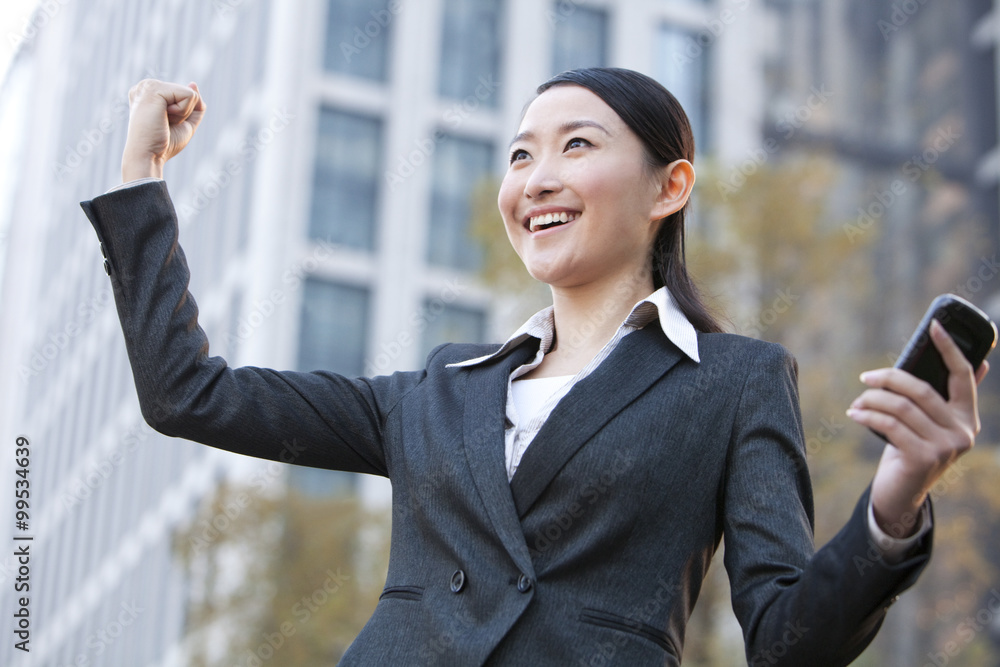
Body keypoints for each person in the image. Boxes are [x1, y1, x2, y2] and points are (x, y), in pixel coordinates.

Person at [81, 67, 988, 666]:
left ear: (670, 188)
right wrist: (139, 177)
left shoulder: (737, 381)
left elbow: (788, 641)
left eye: (577, 146)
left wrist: (895, 501)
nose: (536, 177)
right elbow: (186, 393)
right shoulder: (437, 389)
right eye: (520, 154)